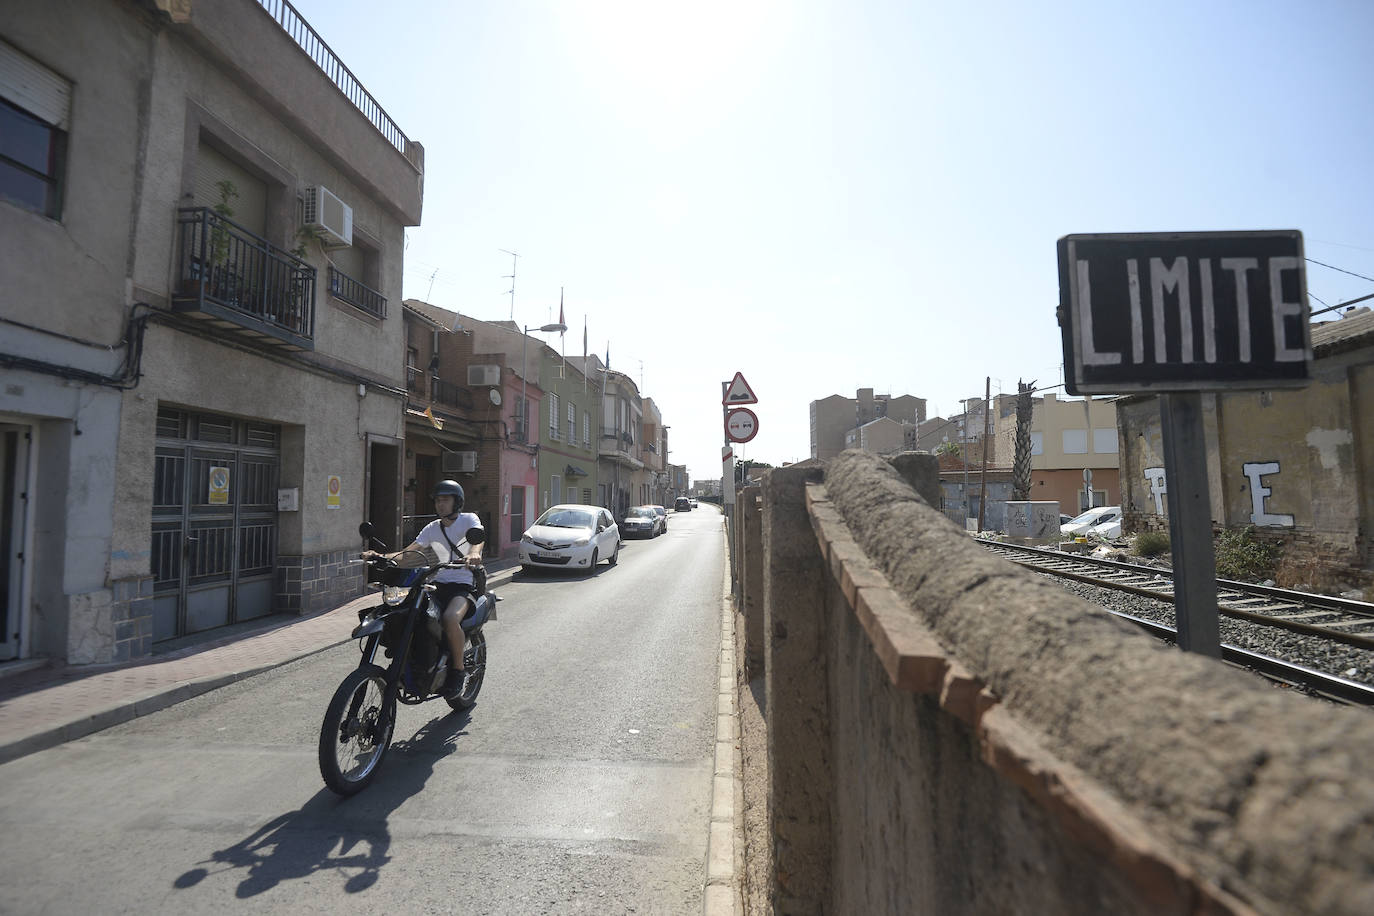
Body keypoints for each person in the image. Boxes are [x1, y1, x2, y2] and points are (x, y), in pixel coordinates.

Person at [364, 479, 483, 696]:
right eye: (438, 501)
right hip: (435, 583)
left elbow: (477, 539)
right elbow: (409, 553)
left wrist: (474, 553)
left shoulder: (468, 520)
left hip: (463, 585)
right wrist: (381, 557)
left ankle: (457, 671)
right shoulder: (432, 528)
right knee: (411, 614)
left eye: (445, 500)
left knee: (449, 618)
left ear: (457, 502)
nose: (440, 505)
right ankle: (415, 662)